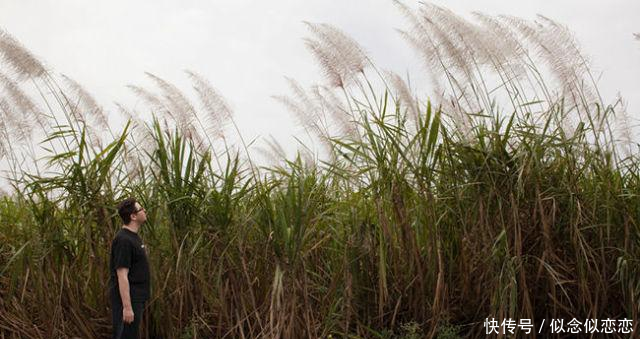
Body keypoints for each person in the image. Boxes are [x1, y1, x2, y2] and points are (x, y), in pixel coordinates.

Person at [110, 198, 150, 339]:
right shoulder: (123, 240)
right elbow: (122, 275)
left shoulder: (134, 237)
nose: (144, 210)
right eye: (141, 209)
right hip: (128, 300)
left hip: (136, 298)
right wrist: (127, 307)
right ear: (133, 216)